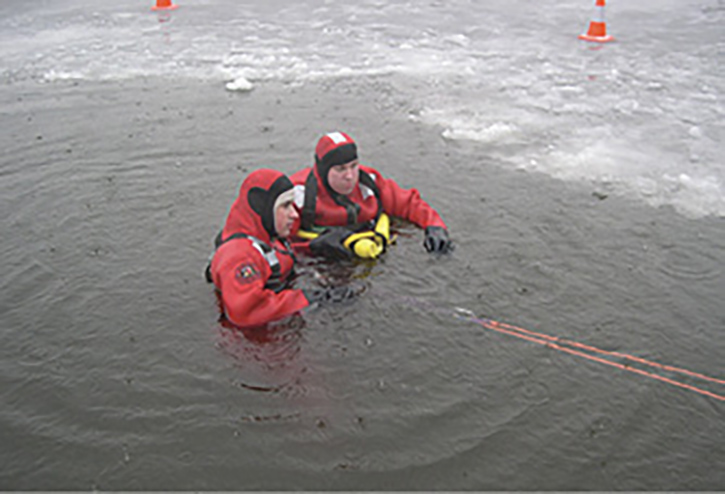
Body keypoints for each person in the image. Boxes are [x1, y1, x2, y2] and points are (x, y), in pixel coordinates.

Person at [205, 168, 354, 328]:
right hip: (258, 344)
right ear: (264, 208)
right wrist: (313, 298)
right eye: (285, 206)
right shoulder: (238, 256)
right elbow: (246, 312)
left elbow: (280, 254)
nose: (294, 214)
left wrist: (313, 246)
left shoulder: (267, 234)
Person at [290, 131, 452, 259]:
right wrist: (312, 247)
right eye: (340, 169)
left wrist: (435, 226)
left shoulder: (369, 182)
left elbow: (408, 203)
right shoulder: (299, 193)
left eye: (353, 166)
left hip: (369, 249)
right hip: (320, 258)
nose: (350, 176)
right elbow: (276, 243)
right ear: (322, 170)